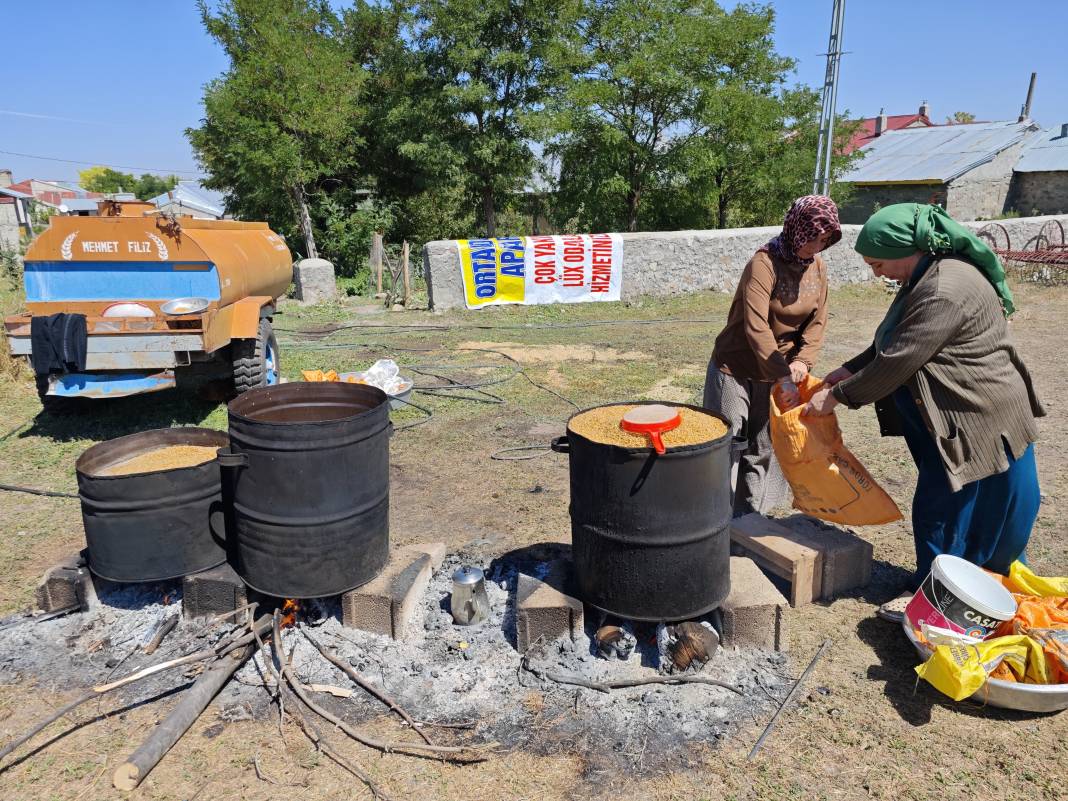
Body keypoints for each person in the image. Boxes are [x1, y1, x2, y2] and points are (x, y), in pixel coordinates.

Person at [805, 203, 1045, 621]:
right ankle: (974, 584)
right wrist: (849, 368)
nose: (877, 273)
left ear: (903, 248)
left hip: (972, 413)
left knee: (951, 502)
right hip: (974, 408)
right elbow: (899, 336)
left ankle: (937, 592)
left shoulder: (941, 289)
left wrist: (838, 396)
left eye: (878, 263)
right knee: (976, 501)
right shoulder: (934, 272)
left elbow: (902, 357)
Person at [704, 195, 841, 516]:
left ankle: (750, 522)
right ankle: (714, 520)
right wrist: (783, 372)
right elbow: (755, 326)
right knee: (727, 446)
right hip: (736, 367)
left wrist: (802, 361)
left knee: (763, 449)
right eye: (812, 238)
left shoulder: (816, 268)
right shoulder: (763, 264)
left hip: (779, 373)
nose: (816, 247)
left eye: (824, 240)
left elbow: (817, 321)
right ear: (796, 229)